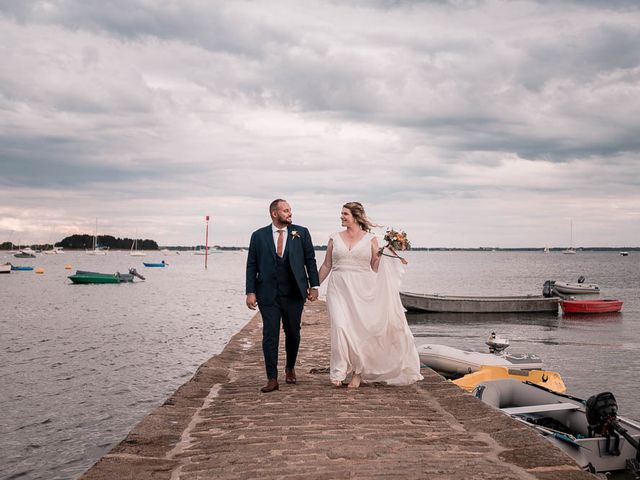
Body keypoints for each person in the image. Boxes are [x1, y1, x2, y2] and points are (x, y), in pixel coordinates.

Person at [318, 202, 423, 388]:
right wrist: (313, 286)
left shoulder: (370, 239)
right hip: (338, 287)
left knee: (359, 332)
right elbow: (327, 264)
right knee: (340, 327)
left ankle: (358, 373)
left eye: (345, 214)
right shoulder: (334, 238)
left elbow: (374, 266)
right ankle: (339, 369)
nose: (341, 217)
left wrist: (385, 254)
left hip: (363, 289)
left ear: (356, 217)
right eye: (341, 214)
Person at [246, 199, 320, 393]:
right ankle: (272, 378)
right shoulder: (258, 236)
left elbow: (310, 260)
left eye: (290, 210)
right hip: (268, 294)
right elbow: (251, 265)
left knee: (293, 332)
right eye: (286, 211)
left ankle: (290, 367)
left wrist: (314, 286)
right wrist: (250, 291)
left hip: (294, 292)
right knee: (270, 334)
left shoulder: (301, 233)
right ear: (274, 213)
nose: (290, 213)